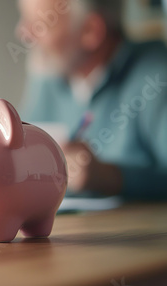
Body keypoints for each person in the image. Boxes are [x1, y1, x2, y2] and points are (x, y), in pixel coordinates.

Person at [17, 0, 167, 200]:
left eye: (40, 26)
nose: (23, 33)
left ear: (91, 31)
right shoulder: (49, 75)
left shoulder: (156, 77)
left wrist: (111, 177)